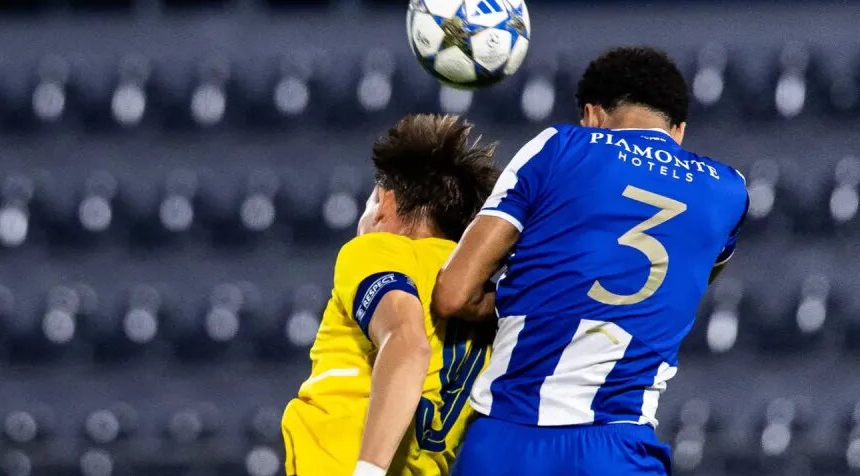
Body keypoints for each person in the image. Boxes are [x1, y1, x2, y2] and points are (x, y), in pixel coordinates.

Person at [433, 47, 749, 475]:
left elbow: (453, 294)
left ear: (592, 114)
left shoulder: (559, 146)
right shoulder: (729, 191)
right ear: (679, 131)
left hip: (507, 441)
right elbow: (683, 283)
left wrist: (524, 300)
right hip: (616, 451)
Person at [281, 114, 499, 476]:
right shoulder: (484, 300)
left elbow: (408, 344)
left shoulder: (378, 251)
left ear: (384, 203)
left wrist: (368, 471)